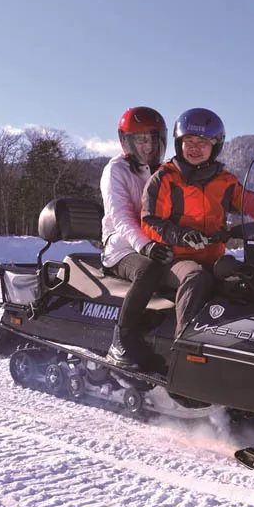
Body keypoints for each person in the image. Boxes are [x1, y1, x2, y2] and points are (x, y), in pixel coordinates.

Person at [141, 107, 254, 339]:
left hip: (213, 257)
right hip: (176, 259)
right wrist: (182, 235)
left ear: (215, 146)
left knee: (253, 279)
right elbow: (149, 221)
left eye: (203, 142)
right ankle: (184, 346)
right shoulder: (165, 178)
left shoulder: (224, 181)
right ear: (179, 143)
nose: (195, 148)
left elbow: (251, 203)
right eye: (189, 141)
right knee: (195, 278)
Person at [100, 107, 175, 368]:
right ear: (127, 142)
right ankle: (122, 338)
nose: (149, 146)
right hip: (121, 249)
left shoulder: (164, 171)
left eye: (154, 139)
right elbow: (120, 217)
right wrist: (146, 246)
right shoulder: (116, 171)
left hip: (157, 244)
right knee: (150, 270)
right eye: (141, 139)